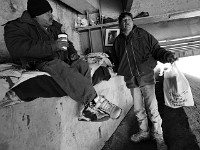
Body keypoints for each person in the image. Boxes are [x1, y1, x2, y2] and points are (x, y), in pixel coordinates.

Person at [3, 0, 122, 122]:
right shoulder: (16, 26)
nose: (51, 16)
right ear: (36, 15)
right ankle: (95, 100)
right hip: (38, 62)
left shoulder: (54, 26)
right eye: (47, 13)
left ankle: (86, 109)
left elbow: (68, 43)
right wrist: (53, 46)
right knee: (58, 66)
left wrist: (72, 53)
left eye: (51, 12)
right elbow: (19, 48)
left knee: (83, 65)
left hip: (62, 60)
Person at [111, 12, 177, 150]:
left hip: (146, 76)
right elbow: (115, 60)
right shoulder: (117, 42)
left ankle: (159, 136)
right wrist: (115, 67)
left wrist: (167, 56)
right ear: (120, 24)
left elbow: (156, 50)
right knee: (138, 109)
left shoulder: (143, 35)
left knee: (153, 108)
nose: (126, 22)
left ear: (133, 21)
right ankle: (144, 132)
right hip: (131, 79)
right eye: (123, 20)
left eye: (128, 19)